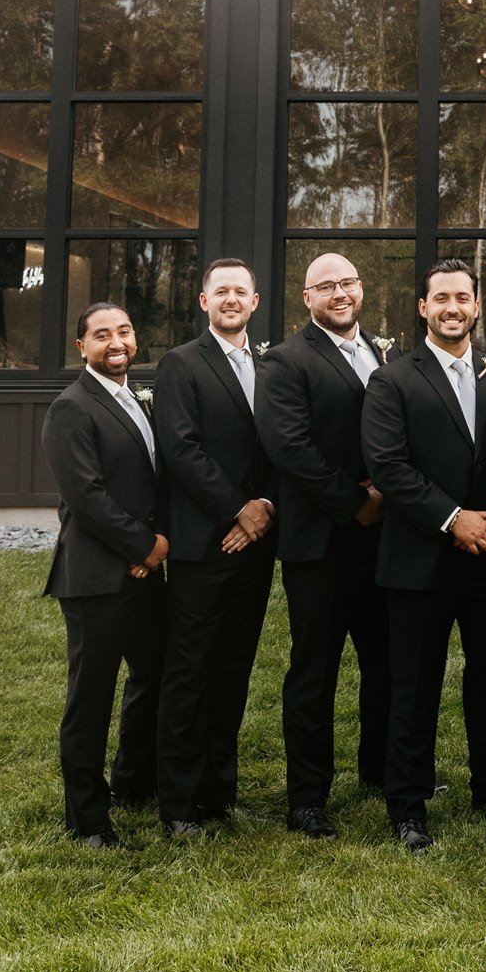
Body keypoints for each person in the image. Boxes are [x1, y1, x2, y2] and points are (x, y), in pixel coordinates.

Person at [363, 259, 486, 851]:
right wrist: (454, 520)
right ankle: (407, 803)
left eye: (464, 298)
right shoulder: (393, 380)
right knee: (414, 684)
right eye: (442, 298)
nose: (454, 307)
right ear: (423, 308)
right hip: (419, 559)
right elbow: (389, 466)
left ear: (477, 308)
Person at [254, 250, 392, 837]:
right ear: (305, 298)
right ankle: (307, 796)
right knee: (315, 672)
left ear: (361, 290)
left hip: (383, 540)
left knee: (385, 662)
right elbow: (290, 449)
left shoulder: (378, 353)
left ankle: (381, 769)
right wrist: (355, 502)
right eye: (325, 286)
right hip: (321, 542)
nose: (339, 293)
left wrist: (387, 496)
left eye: (348, 283)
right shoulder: (285, 361)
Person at [151, 257, 275, 837]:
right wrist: (238, 509)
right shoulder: (180, 364)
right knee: (189, 672)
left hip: (254, 546)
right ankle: (176, 805)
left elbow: (281, 447)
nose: (230, 299)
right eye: (220, 291)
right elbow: (182, 451)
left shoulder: (270, 367)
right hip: (204, 545)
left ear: (255, 302)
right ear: (204, 303)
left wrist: (263, 511)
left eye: (240, 292)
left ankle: (217, 795)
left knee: (233, 670)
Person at [41, 302, 168, 847]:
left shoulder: (137, 397)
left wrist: (150, 554)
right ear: (81, 347)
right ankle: (87, 819)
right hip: (95, 577)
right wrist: (144, 546)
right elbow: (86, 497)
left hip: (143, 576)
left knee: (154, 674)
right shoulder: (71, 408)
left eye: (124, 331)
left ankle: (133, 781)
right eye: (101, 335)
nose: (115, 342)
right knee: (90, 698)